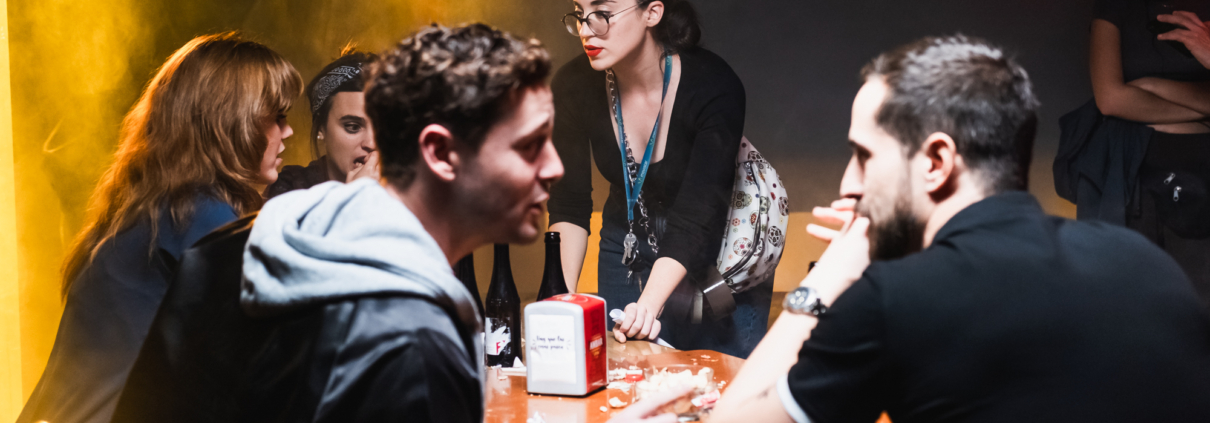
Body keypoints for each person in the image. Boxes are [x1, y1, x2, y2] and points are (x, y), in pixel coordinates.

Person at [707, 35, 1210, 423]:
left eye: (863, 156)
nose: (849, 183)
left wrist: (832, 274)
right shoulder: (1142, 261)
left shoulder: (891, 300)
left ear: (937, 161)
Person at [17, 33, 302, 423]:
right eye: (277, 117)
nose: (287, 132)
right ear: (231, 121)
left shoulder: (154, 210)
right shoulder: (198, 213)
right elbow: (281, 339)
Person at [548, 0, 767, 358]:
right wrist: (558, 298)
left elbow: (696, 217)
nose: (587, 29)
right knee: (625, 381)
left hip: (719, 248)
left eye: (602, 13)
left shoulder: (714, 84)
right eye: (579, 12)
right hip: (627, 238)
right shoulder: (572, 85)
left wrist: (648, 306)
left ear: (652, 12)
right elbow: (569, 205)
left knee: (725, 388)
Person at [1055, 0, 1210, 304]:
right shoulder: (1116, 6)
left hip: (1203, 178)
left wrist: (1152, 87)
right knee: (1129, 307)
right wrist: (1201, 110)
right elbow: (1110, 99)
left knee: (1199, 313)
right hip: (1131, 178)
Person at [264, 47, 380, 198]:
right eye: (353, 127)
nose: (371, 143)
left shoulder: (411, 192)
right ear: (321, 128)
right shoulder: (291, 192)